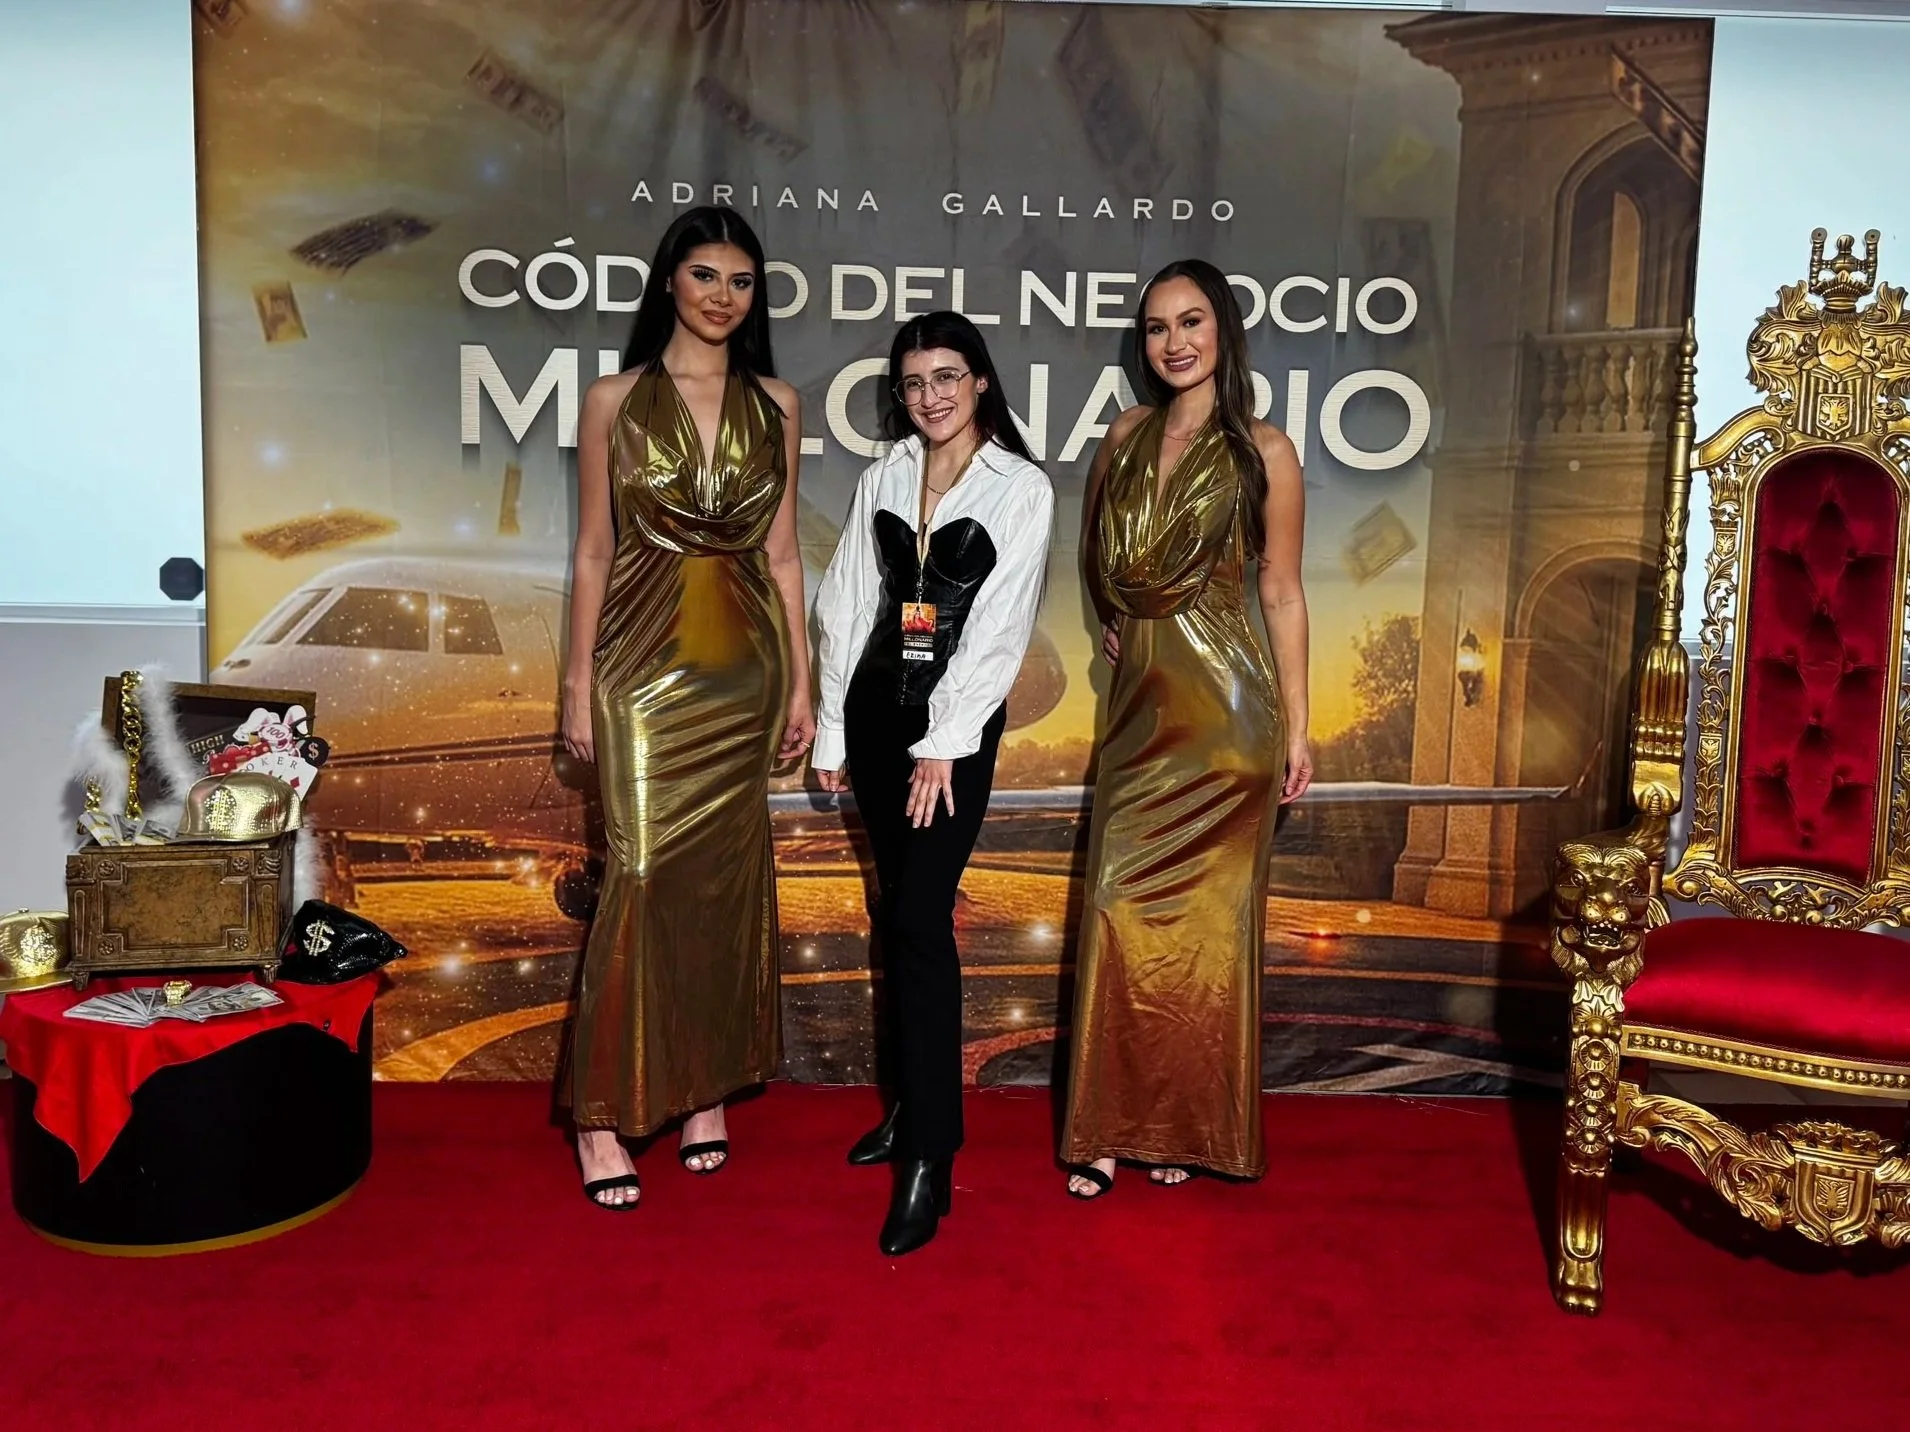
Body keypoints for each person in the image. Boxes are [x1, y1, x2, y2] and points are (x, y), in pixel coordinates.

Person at [559, 206, 813, 1210]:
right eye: (704, 273)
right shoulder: (612, 399)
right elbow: (590, 550)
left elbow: (783, 554)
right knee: (644, 871)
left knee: (721, 881)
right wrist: (578, 682)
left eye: (740, 280)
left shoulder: (778, 403)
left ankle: (703, 1092)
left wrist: (801, 678)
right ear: (669, 280)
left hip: (741, 669)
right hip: (637, 663)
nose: (721, 295)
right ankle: (598, 1113)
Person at [1060, 258, 1312, 1199]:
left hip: (1229, 717)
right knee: (1120, 913)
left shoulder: (1265, 451)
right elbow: (1093, 559)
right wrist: (1118, 618)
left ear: (1224, 332)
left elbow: (1281, 593)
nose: (1174, 342)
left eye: (1192, 322)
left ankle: (1177, 1124)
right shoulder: (1121, 436)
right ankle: (1108, 1123)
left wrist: (1294, 724)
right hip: (1138, 717)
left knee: (1207, 935)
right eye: (1158, 327)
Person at [811, 311, 1054, 1254]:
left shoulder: (1020, 487)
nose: (932, 397)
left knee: (919, 920)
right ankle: (910, 1106)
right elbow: (845, 602)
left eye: (949, 377)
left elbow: (999, 626)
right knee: (893, 913)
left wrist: (945, 741)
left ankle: (932, 1153)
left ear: (981, 381)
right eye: (915, 383)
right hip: (875, 719)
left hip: (949, 733)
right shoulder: (883, 474)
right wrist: (833, 723)